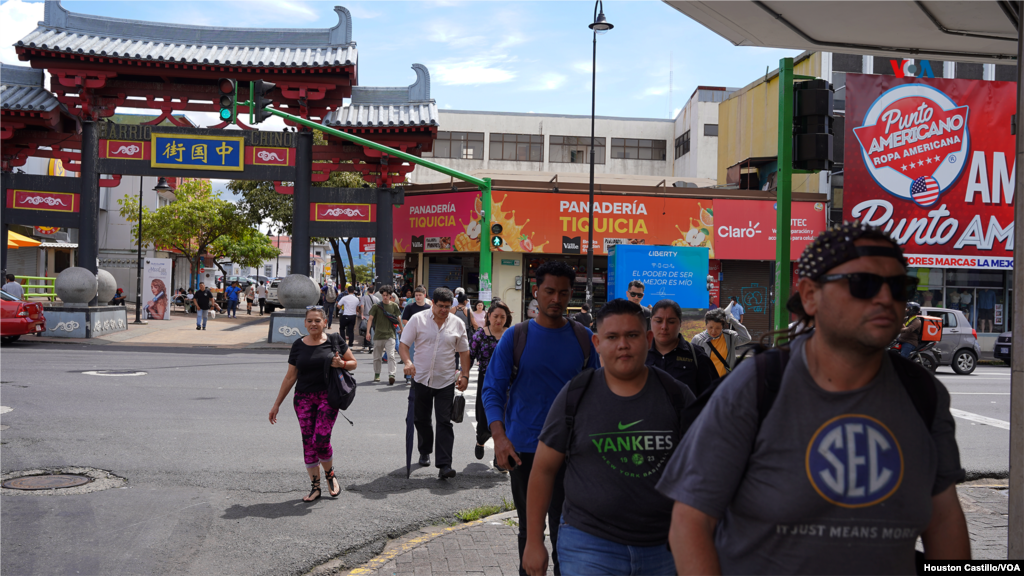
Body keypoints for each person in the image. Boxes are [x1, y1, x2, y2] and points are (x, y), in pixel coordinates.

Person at [659, 221, 969, 574]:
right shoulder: (757, 386)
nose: (885, 298)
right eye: (863, 284)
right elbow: (691, 522)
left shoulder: (923, 394)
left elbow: (944, 522)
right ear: (809, 295)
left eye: (899, 287)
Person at [523, 299, 695, 576]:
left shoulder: (676, 395)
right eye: (612, 337)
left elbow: (705, 470)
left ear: (648, 339)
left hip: (665, 546)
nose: (622, 345)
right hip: (588, 544)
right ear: (597, 343)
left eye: (632, 335)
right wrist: (534, 541)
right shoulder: (575, 395)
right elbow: (543, 469)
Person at [482, 260, 600, 576]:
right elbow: (492, 389)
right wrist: (500, 438)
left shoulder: (585, 339)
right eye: (549, 291)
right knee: (529, 530)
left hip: (571, 452)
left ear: (571, 295)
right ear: (536, 292)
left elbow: (599, 392)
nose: (556, 299)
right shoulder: (516, 337)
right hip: (524, 449)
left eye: (563, 293)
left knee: (567, 530)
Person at [269, 306, 358, 502]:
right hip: (303, 399)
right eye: (309, 321)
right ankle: (315, 487)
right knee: (308, 443)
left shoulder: (335, 340)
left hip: (328, 396)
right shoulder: (298, 345)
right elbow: (290, 377)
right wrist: (277, 404)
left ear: (325, 322)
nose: (313, 324)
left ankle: (330, 474)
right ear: (305, 323)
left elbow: (353, 362)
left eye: (317, 320)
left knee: (321, 439)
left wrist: (341, 364)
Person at [399, 287, 471, 479]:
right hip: (420, 378)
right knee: (420, 420)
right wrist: (407, 362)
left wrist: (465, 375)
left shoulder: (457, 323)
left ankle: (444, 465)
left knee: (444, 422)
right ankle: (424, 450)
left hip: (446, 380)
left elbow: (464, 351)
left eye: (448, 307)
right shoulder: (418, 319)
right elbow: (404, 344)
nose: (444, 310)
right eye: (440, 306)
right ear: (433, 303)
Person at [468, 300, 512, 460]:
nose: (499, 320)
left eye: (502, 317)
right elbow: (470, 356)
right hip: (486, 381)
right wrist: (464, 375)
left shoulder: (512, 334)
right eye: (495, 316)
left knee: (506, 418)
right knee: (484, 417)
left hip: (508, 382)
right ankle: (481, 440)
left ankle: (500, 457)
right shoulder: (480, 334)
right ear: (488, 316)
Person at [647, 299, 714, 397]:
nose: (664, 327)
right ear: (651, 322)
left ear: (680, 323)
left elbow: (710, 399)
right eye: (658, 321)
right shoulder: (639, 354)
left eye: (671, 322)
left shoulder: (697, 356)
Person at [690, 304, 751, 380]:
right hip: (706, 382)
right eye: (710, 327)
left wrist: (732, 319)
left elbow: (746, 338)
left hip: (725, 381)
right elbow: (691, 363)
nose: (713, 331)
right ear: (706, 325)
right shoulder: (698, 339)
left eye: (718, 328)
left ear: (723, 327)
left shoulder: (730, 336)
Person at [367, 285, 401, 385]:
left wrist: (402, 330)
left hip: (390, 335)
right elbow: (370, 319)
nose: (385, 297)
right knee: (377, 357)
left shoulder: (394, 306)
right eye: (383, 295)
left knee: (391, 356)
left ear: (391, 295)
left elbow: (398, 318)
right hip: (378, 335)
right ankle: (377, 374)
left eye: (387, 295)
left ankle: (392, 375)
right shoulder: (376, 306)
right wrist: (368, 332)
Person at [400, 286, 432, 383]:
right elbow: (404, 319)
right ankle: (409, 376)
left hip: (425, 335)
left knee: (423, 355)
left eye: (420, 295)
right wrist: (413, 325)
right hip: (412, 334)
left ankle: (421, 375)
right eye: (416, 295)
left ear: (424, 296)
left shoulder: (429, 308)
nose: (418, 297)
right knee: (411, 354)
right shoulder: (410, 307)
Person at [359, 287, 379, 353]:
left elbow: (362, 306)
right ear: (373, 292)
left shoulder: (364, 298)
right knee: (372, 331)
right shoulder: (377, 299)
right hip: (374, 318)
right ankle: (371, 346)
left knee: (366, 331)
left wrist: (362, 314)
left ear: (367, 292)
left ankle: (367, 345)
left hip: (366, 317)